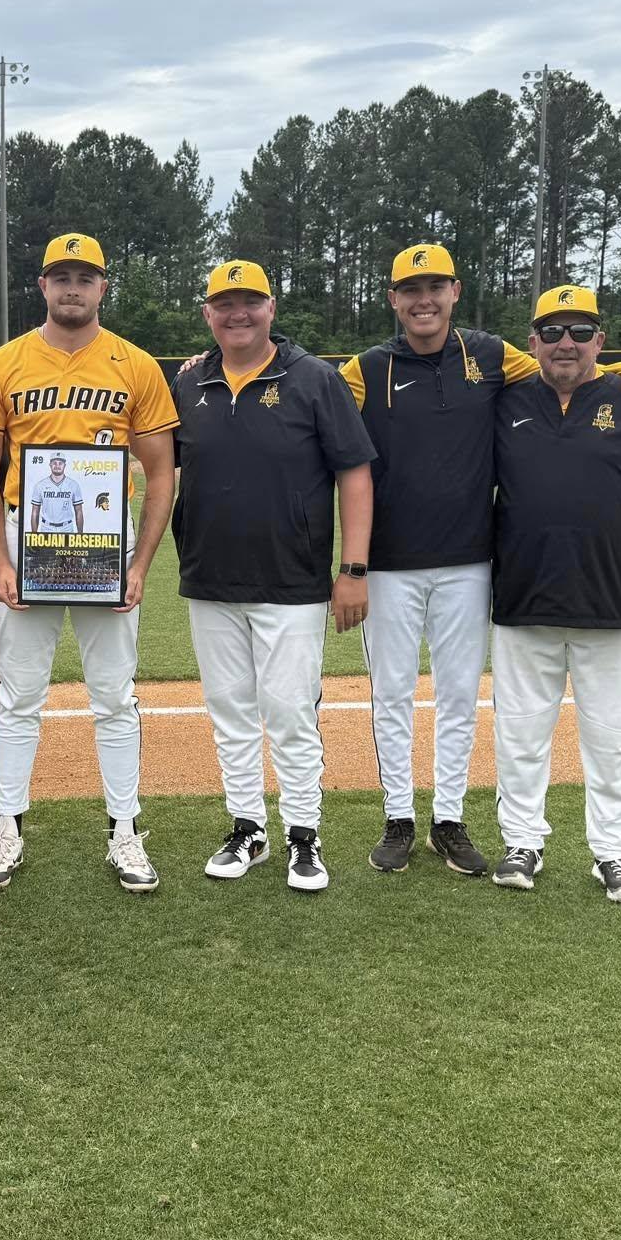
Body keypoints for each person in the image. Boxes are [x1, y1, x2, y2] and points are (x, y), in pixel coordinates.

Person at [342, 242, 621, 878]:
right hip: (388, 563)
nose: (423, 299)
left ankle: (449, 820)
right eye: (411, 289)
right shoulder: (366, 368)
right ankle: (399, 816)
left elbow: (569, 364)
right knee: (392, 695)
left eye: (435, 286)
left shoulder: (490, 357)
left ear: (455, 292)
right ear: (393, 299)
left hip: (469, 562)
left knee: (460, 696)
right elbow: (305, 395)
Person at [0, 233, 179, 894]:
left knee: (114, 695)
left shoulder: (134, 364)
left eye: (85, 276)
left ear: (103, 286)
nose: (72, 287)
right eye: (61, 275)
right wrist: (1, 558)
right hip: (29, 538)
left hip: (104, 542)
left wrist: (139, 564)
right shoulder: (1, 364)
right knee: (20, 694)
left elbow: (161, 470)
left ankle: (123, 831)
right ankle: (8, 827)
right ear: (43, 285)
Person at [173, 261, 376, 893]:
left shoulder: (314, 379)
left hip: (292, 579)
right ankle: (247, 828)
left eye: (250, 302)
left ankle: (304, 836)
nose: (237, 314)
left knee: (290, 711)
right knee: (230, 711)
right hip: (210, 577)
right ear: (207, 313)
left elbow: (355, 474)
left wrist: (353, 569)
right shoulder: (189, 383)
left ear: (271, 307)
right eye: (223, 304)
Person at [487, 285, 621, 905]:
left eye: (580, 331)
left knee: (610, 737)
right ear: (533, 342)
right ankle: (523, 840)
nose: (565, 343)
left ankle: (614, 853)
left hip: (611, 604)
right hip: (524, 602)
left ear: (600, 340)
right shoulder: (506, 401)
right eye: (551, 332)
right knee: (520, 735)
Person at [32, 454, 84, 532]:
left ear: (65, 465)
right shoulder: (40, 485)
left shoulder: (73, 484)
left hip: (66, 527)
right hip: (47, 527)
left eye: (60, 463)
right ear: (50, 465)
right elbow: (35, 511)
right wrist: (34, 535)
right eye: (54, 463)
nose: (57, 466)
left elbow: (79, 511)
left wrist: (80, 534)